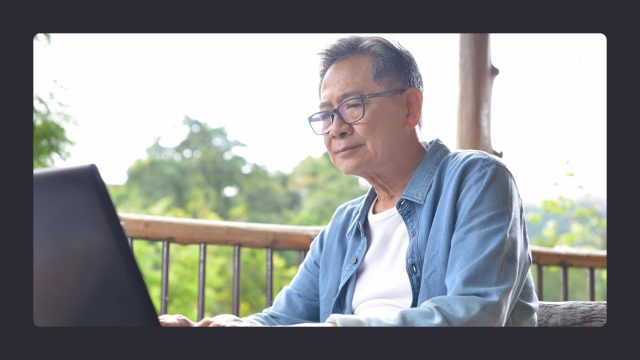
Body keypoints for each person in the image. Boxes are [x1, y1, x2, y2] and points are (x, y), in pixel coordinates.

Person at [159, 35, 539, 327]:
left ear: (410, 107)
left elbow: (474, 315)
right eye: (326, 115)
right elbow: (282, 320)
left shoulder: (476, 180)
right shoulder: (343, 226)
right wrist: (222, 326)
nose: (336, 128)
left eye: (352, 105)